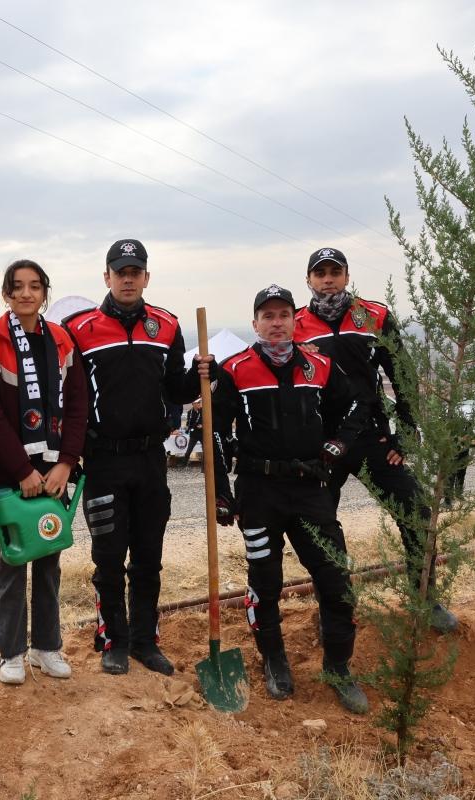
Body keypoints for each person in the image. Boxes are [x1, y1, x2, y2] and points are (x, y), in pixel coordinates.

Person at [211, 284, 370, 713]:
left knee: (335, 578)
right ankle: (274, 660)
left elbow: (357, 406)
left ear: (294, 321)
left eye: (284, 314)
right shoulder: (235, 370)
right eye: (268, 316)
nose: (276, 322)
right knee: (266, 583)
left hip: (310, 489)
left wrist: (340, 442)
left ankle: (339, 668)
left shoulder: (320, 365)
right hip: (258, 492)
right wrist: (221, 493)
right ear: (255, 323)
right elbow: (215, 433)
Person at [63, 238, 213, 676]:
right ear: (106, 276)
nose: (127, 279)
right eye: (120, 272)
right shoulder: (79, 328)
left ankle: (145, 641)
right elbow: (69, 397)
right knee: (108, 559)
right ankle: (114, 640)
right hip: (103, 461)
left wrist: (202, 375)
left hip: (151, 460)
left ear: (146, 277)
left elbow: (177, 389)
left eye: (135, 272)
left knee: (148, 558)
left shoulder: (166, 325)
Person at [294, 247, 458, 633]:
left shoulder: (375, 316)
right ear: (309, 279)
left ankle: (425, 601)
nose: (328, 279)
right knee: (318, 527)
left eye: (335, 272)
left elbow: (402, 373)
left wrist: (406, 435)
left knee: (416, 512)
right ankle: (334, 610)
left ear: (347, 276)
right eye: (320, 273)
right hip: (322, 444)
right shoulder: (296, 324)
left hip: (371, 436)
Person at [0, 259, 88, 685]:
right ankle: (11, 654)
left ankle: (46, 646)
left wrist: (65, 463)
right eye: (17, 286)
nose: (26, 293)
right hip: (6, 471)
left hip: (53, 468)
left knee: (49, 555)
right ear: (6, 293)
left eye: (35, 286)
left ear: (44, 293)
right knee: (12, 558)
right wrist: (21, 470)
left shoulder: (62, 339)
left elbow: (78, 404)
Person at [181, 399, 204, 470]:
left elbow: (207, 420)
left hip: (202, 433)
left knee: (206, 450)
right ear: (193, 404)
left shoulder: (203, 410)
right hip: (194, 434)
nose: (199, 404)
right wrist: (188, 427)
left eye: (199, 402)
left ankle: (205, 465)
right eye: (197, 403)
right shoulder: (190, 412)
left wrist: (202, 425)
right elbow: (188, 423)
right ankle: (184, 464)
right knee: (189, 450)